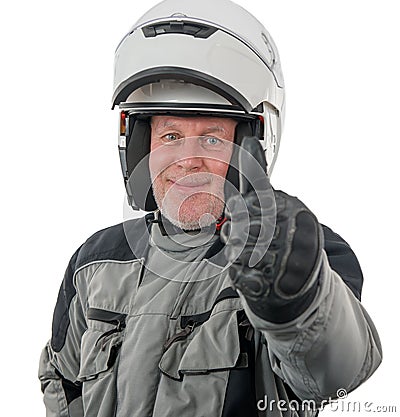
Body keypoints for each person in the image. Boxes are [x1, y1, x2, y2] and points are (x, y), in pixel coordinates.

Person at [38, 1, 382, 416]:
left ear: (250, 149)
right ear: (139, 146)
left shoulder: (296, 251)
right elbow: (61, 377)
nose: (188, 159)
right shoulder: (95, 261)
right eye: (169, 135)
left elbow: (333, 372)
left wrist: (295, 295)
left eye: (213, 138)